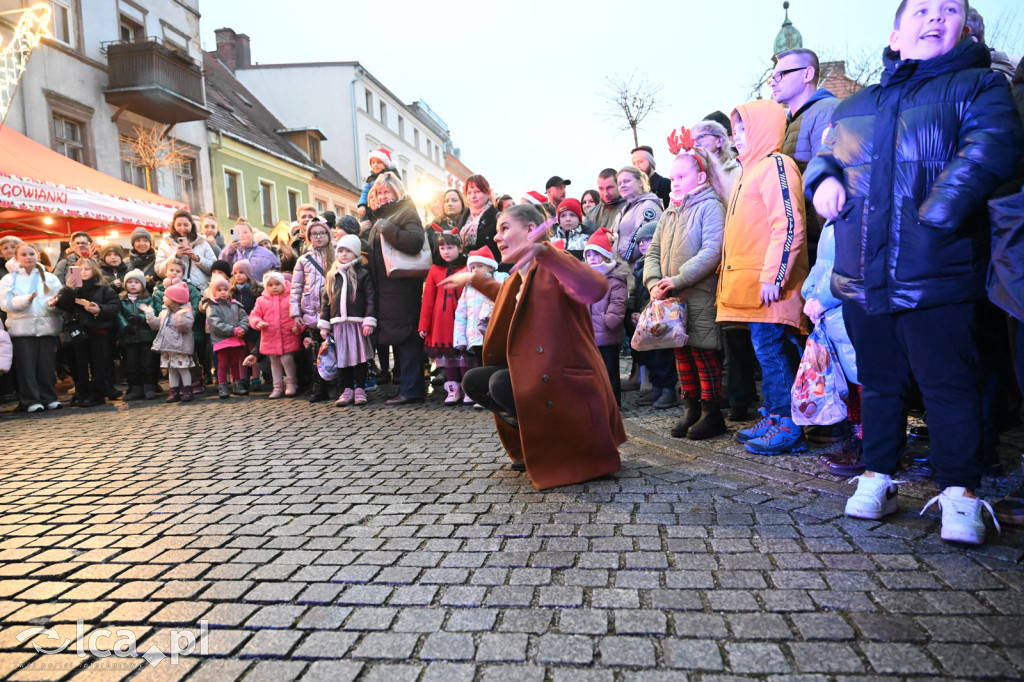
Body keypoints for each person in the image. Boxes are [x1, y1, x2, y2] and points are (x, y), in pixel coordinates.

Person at [805, 0, 1021, 545]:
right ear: (895, 33)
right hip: (861, 272)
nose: (934, 18)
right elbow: (826, 154)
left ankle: (960, 493)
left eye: (949, 9)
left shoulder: (980, 86)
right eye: (921, 9)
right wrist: (822, 181)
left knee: (950, 386)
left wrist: (939, 214)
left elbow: (991, 149)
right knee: (878, 383)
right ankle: (877, 475)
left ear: (965, 26)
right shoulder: (857, 104)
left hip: (940, 271)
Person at [453, 204, 625, 489]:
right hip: (547, 375)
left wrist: (547, 253)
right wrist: (473, 279)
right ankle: (541, 440)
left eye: (505, 228)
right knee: (475, 381)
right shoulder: (519, 273)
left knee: (501, 383)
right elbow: (505, 295)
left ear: (531, 231)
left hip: (568, 379)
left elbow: (594, 288)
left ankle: (567, 448)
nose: (496, 237)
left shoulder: (556, 263)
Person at [718, 100, 809, 455]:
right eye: (735, 129)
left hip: (771, 287)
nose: (736, 136)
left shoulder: (776, 165)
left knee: (773, 352)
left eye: (742, 128)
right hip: (755, 287)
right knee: (766, 351)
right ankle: (774, 415)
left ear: (761, 128)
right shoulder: (749, 173)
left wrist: (775, 273)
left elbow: (787, 222)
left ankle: (788, 424)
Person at [647, 148, 728, 439]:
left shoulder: (710, 206)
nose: (676, 182)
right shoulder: (670, 210)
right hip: (671, 297)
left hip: (699, 294)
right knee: (682, 353)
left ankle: (711, 412)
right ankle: (691, 407)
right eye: (673, 177)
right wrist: (654, 282)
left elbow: (712, 250)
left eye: (682, 176)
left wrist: (678, 279)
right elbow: (654, 251)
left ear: (701, 176)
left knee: (703, 352)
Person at [800, 223, 863, 476]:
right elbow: (822, 264)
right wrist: (811, 294)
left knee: (862, 379)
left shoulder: (852, 212)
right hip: (833, 307)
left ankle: (867, 447)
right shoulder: (832, 219)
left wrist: (822, 299)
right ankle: (855, 442)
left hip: (846, 304)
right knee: (850, 380)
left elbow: (850, 265)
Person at [366, 172, 428, 405]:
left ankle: (412, 390)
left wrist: (386, 227)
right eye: (378, 193)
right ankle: (407, 387)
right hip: (387, 289)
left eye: (386, 192)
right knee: (401, 339)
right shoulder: (384, 216)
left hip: (401, 289)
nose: (382, 196)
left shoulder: (406, 212)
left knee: (408, 338)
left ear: (397, 192)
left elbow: (414, 242)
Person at [0, 243, 63, 411]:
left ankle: (49, 397)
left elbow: (59, 297)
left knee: (47, 367)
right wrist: (25, 300)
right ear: (17, 257)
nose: (29, 257)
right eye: (24, 254)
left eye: (31, 254)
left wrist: (54, 303)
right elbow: (4, 304)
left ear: (37, 255)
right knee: (26, 367)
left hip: (47, 327)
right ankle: (31, 400)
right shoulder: (8, 279)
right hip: (21, 329)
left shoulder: (49, 277)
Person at [53, 258, 120, 407]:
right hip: (78, 332)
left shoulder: (104, 289)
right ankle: (83, 392)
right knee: (80, 365)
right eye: (79, 269)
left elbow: (114, 308)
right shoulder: (72, 290)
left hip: (98, 331)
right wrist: (69, 290)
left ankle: (97, 394)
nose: (83, 272)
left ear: (94, 271)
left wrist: (100, 309)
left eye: (87, 269)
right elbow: (64, 307)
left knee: (98, 365)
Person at [319, 235, 377, 406]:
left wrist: (369, 320)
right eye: (341, 251)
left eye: (348, 251)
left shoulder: (363, 274)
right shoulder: (332, 275)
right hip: (339, 325)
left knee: (359, 358)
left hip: (357, 323)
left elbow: (370, 298)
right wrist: (324, 323)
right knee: (343, 359)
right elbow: (325, 300)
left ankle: (360, 389)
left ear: (356, 253)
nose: (343, 254)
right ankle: (347, 390)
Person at [627, 222, 677, 410]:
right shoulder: (639, 266)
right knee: (649, 357)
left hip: (657, 320)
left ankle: (668, 389)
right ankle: (656, 386)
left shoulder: (662, 266)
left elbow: (657, 294)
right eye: (640, 241)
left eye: (648, 240)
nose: (642, 244)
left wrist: (643, 311)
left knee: (663, 356)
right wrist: (632, 310)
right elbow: (633, 292)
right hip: (643, 321)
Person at [453, 246, 507, 407]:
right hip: (475, 335)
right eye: (473, 267)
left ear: (490, 266)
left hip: (495, 333)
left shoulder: (502, 280)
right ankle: (482, 395)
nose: (475, 270)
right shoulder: (469, 287)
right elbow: (461, 313)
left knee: (495, 365)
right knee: (479, 364)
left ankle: (496, 393)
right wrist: (459, 338)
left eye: (480, 266)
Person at [584, 227, 628, 406]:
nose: (592, 258)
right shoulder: (584, 278)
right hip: (588, 334)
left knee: (609, 371)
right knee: (592, 371)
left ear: (606, 256)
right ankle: (597, 404)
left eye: (596, 254)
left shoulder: (615, 279)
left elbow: (617, 306)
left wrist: (606, 320)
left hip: (606, 334)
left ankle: (613, 404)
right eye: (588, 255)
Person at [291, 217, 333, 402]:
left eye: (321, 233)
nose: (318, 237)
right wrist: (295, 312)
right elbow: (296, 287)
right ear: (308, 236)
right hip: (313, 311)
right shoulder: (303, 260)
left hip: (334, 312)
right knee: (317, 351)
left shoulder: (337, 255)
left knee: (338, 348)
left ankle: (342, 384)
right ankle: (320, 387)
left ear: (328, 234)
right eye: (314, 234)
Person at [250, 271, 303, 399]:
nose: (274, 287)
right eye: (270, 285)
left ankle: (291, 382)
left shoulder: (291, 298)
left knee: (287, 359)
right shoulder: (261, 300)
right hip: (270, 337)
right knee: (274, 362)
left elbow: (299, 314)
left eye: (277, 284)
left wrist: (299, 327)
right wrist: (257, 322)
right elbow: (254, 315)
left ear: (283, 284)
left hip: (288, 335)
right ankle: (277, 386)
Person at [143, 281, 195, 403]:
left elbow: (184, 327)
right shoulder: (164, 312)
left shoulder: (186, 311)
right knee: (171, 370)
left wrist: (180, 316)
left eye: (166, 296)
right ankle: (174, 391)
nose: (163, 297)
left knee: (182, 369)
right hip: (168, 348)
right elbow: (157, 326)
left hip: (180, 348)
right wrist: (150, 315)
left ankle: (187, 389)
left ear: (174, 299)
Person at [203, 276, 251, 399]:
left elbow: (244, 318)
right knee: (222, 364)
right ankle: (222, 385)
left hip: (236, 339)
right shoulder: (212, 306)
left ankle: (237, 384)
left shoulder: (236, 304)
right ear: (214, 292)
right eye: (219, 290)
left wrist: (242, 328)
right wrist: (232, 330)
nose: (223, 292)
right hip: (222, 340)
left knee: (235, 363)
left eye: (225, 289)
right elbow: (215, 324)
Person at [115, 269, 158, 401]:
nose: (133, 285)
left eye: (136, 282)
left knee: (147, 362)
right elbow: (118, 314)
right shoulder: (121, 299)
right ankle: (135, 387)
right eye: (130, 282)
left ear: (142, 285)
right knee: (130, 363)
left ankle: (149, 386)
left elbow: (153, 310)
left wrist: (141, 317)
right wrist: (125, 325)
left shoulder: (149, 298)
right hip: (129, 337)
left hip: (145, 336)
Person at [611, 166, 662, 266]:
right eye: (619, 183)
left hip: (635, 271)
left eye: (627, 181)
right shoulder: (625, 209)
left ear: (640, 182)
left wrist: (619, 262)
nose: (622, 185)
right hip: (621, 269)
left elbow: (641, 239)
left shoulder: (648, 205)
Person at [155, 209, 216, 290]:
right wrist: (175, 257)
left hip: (199, 291)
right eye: (179, 225)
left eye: (186, 225)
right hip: (173, 290)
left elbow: (214, 268)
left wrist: (197, 258)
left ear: (191, 225)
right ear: (174, 225)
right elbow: (159, 270)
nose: (182, 228)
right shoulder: (166, 244)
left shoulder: (202, 243)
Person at [230, 261, 264, 392]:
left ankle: (256, 378)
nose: (238, 275)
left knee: (253, 352)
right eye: (235, 273)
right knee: (241, 354)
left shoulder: (255, 291)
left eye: (241, 272)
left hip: (253, 327)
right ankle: (243, 378)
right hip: (238, 327)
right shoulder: (232, 291)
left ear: (248, 274)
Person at [692, 120, 742, 199]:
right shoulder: (694, 175)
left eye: (701, 137)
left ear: (719, 141)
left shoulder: (737, 172)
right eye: (692, 140)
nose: (695, 144)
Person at [460, 175, 500, 262]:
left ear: (488, 193)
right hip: (468, 268)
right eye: (469, 193)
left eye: (477, 191)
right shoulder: (464, 217)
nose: (473, 196)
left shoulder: (497, 217)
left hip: (490, 268)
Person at [585, 169, 627, 238]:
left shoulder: (630, 208)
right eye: (601, 189)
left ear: (618, 184)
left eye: (609, 188)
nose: (605, 194)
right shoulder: (590, 213)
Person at [357, 148, 396, 221]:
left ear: (385, 164)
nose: (375, 165)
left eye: (378, 162)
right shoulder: (370, 179)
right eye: (373, 163)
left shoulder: (391, 177)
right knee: (364, 214)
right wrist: (362, 205)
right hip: (373, 208)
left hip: (387, 207)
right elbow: (365, 193)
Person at [127, 227, 158, 292]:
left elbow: (163, 285)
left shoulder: (158, 261)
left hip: (153, 300)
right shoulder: (126, 263)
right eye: (138, 240)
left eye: (145, 240)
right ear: (133, 244)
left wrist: (151, 283)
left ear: (150, 243)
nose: (142, 244)